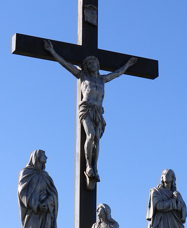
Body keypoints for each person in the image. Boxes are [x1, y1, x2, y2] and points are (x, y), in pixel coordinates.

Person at [44, 39, 137, 184]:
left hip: (98, 111)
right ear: (87, 65)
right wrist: (52, 51)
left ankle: (94, 166)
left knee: (97, 140)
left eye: (96, 63)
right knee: (91, 135)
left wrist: (128, 65)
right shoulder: (82, 76)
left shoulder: (103, 79)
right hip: (86, 108)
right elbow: (65, 64)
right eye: (91, 63)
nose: (94, 65)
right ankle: (88, 165)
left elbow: (118, 73)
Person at [13, 150, 58, 228]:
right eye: (44, 155)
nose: (46, 157)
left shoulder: (46, 176)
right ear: (37, 156)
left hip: (45, 214)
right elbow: (23, 193)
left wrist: (48, 202)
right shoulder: (26, 173)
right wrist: (37, 205)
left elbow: (53, 194)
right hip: (33, 213)